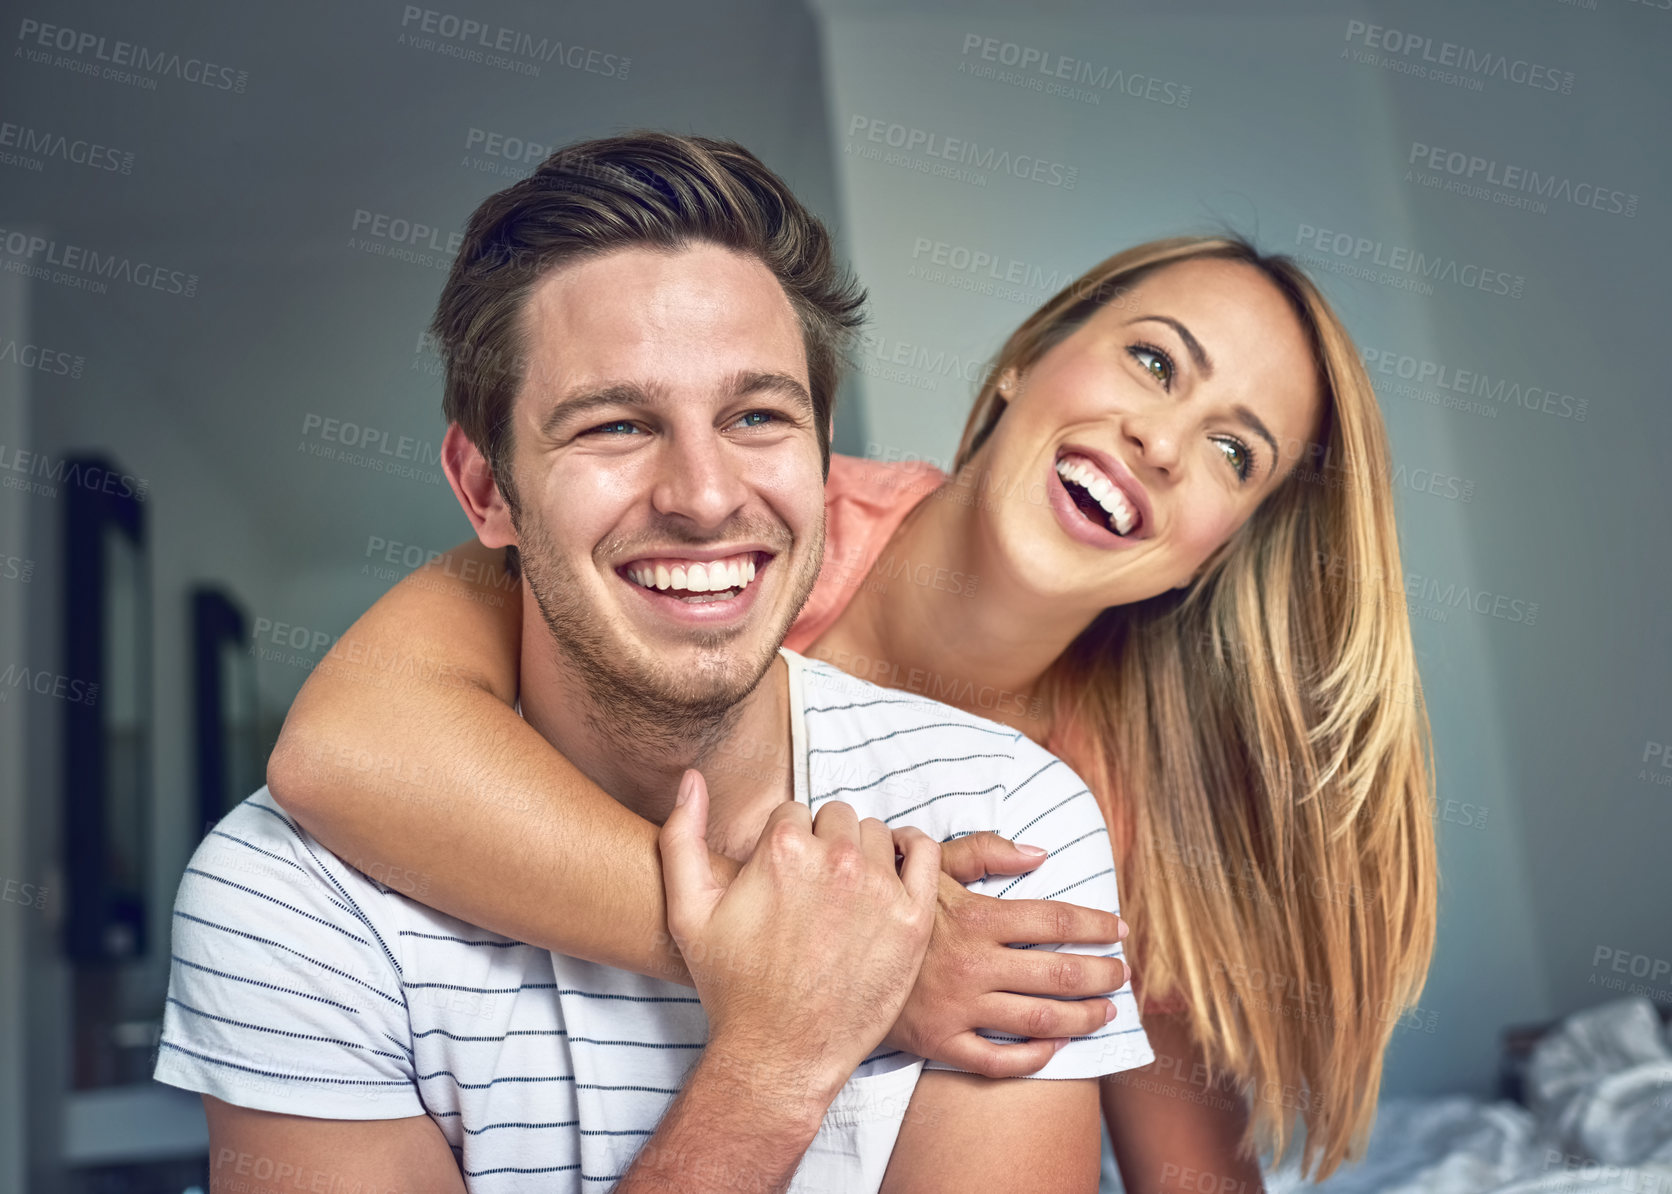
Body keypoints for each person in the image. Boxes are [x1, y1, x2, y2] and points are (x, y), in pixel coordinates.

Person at [269, 153, 1438, 1188]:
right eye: (1151, 362)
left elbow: (1184, 1172)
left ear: (1213, 553)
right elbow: (341, 749)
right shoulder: (726, 523)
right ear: (1024, 365)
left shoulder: (1103, 816)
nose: (1164, 441)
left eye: (1236, 452)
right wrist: (858, 957)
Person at [154, 132, 1154, 1194]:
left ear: (824, 458)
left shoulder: (999, 817)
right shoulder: (285, 900)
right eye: (618, 424)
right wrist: (776, 1059)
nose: (705, 495)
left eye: (758, 416)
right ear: (485, 489)